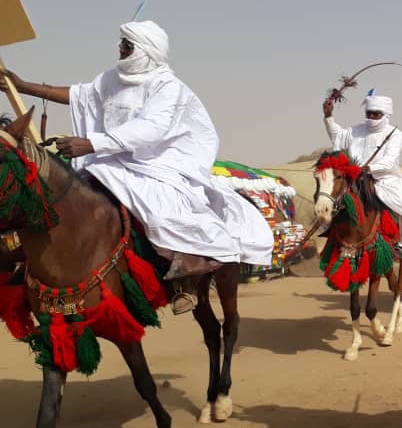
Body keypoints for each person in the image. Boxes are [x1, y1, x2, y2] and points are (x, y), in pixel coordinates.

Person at [1, 21, 274, 314]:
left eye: (127, 45)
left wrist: (92, 143)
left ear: (145, 50)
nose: (120, 49)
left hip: (160, 166)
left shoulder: (168, 88)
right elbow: (81, 95)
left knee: (162, 214)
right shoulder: (112, 79)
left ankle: (183, 279)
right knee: (67, 199)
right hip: (112, 161)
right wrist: (22, 85)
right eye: (121, 43)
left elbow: (150, 129)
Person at [323, 90, 402, 241]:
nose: (371, 117)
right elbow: (338, 137)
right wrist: (329, 117)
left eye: (376, 114)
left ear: (386, 114)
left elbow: (389, 159)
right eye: (369, 113)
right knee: (329, 196)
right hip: (354, 176)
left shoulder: (395, 134)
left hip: (383, 179)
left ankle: (401, 241)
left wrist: (369, 168)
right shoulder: (356, 129)